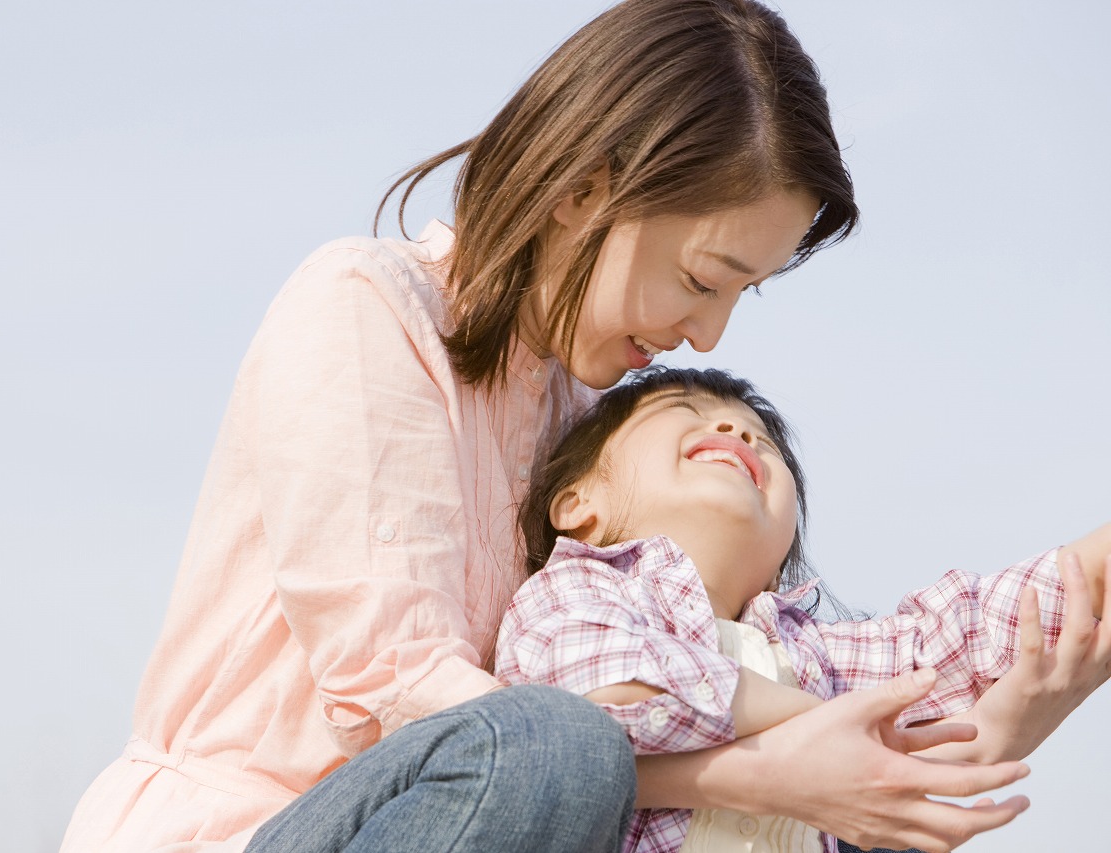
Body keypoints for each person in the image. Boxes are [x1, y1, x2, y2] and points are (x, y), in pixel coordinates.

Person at [60, 1, 1044, 851]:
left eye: (741, 294)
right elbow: (392, 697)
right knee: (553, 744)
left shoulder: (594, 429)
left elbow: (655, 680)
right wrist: (754, 770)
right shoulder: (367, 307)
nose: (706, 331)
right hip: (252, 829)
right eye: (701, 278)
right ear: (581, 192)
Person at [497, 365, 1111, 853]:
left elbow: (961, 635)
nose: (740, 436)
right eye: (686, 411)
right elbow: (614, 692)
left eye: (764, 443)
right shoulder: (581, 588)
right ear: (578, 505)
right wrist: (843, 725)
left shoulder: (807, 649)